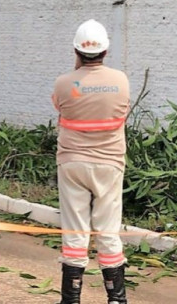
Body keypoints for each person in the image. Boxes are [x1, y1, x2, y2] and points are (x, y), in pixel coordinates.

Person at [52, 19, 131, 304]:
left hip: (72, 163)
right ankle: (117, 299)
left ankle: (71, 300)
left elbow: (59, 107)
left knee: (75, 230)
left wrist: (78, 76)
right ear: (106, 51)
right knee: (108, 230)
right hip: (109, 164)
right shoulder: (120, 80)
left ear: (76, 51)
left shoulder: (64, 83)